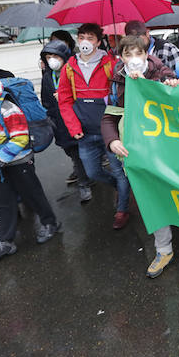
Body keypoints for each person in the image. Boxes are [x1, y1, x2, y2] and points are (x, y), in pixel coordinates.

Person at [0, 69, 61, 264]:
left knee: (32, 195)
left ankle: (50, 223)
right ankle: (5, 241)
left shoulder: (7, 108)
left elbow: (20, 138)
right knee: (2, 202)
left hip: (19, 161)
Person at [101, 35, 179, 272]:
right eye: (128, 54)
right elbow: (109, 117)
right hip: (139, 151)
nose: (133, 59)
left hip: (170, 149)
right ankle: (163, 249)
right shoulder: (116, 81)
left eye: (138, 53)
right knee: (151, 197)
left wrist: (170, 88)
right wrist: (112, 140)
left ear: (147, 54)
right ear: (121, 57)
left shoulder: (163, 73)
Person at [57, 24, 128, 228]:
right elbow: (64, 100)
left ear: (98, 41)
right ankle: (121, 187)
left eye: (90, 37)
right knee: (92, 172)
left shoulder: (111, 64)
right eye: (81, 37)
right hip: (85, 134)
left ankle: (122, 210)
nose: (85, 42)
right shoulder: (69, 68)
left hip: (111, 132)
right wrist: (73, 127)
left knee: (119, 171)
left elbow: (119, 95)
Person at [40, 39, 92, 201]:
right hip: (60, 123)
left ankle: (84, 183)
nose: (52, 60)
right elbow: (46, 101)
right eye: (48, 57)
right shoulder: (47, 77)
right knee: (71, 152)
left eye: (55, 56)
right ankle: (84, 174)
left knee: (80, 153)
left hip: (77, 120)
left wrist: (67, 96)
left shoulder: (74, 72)